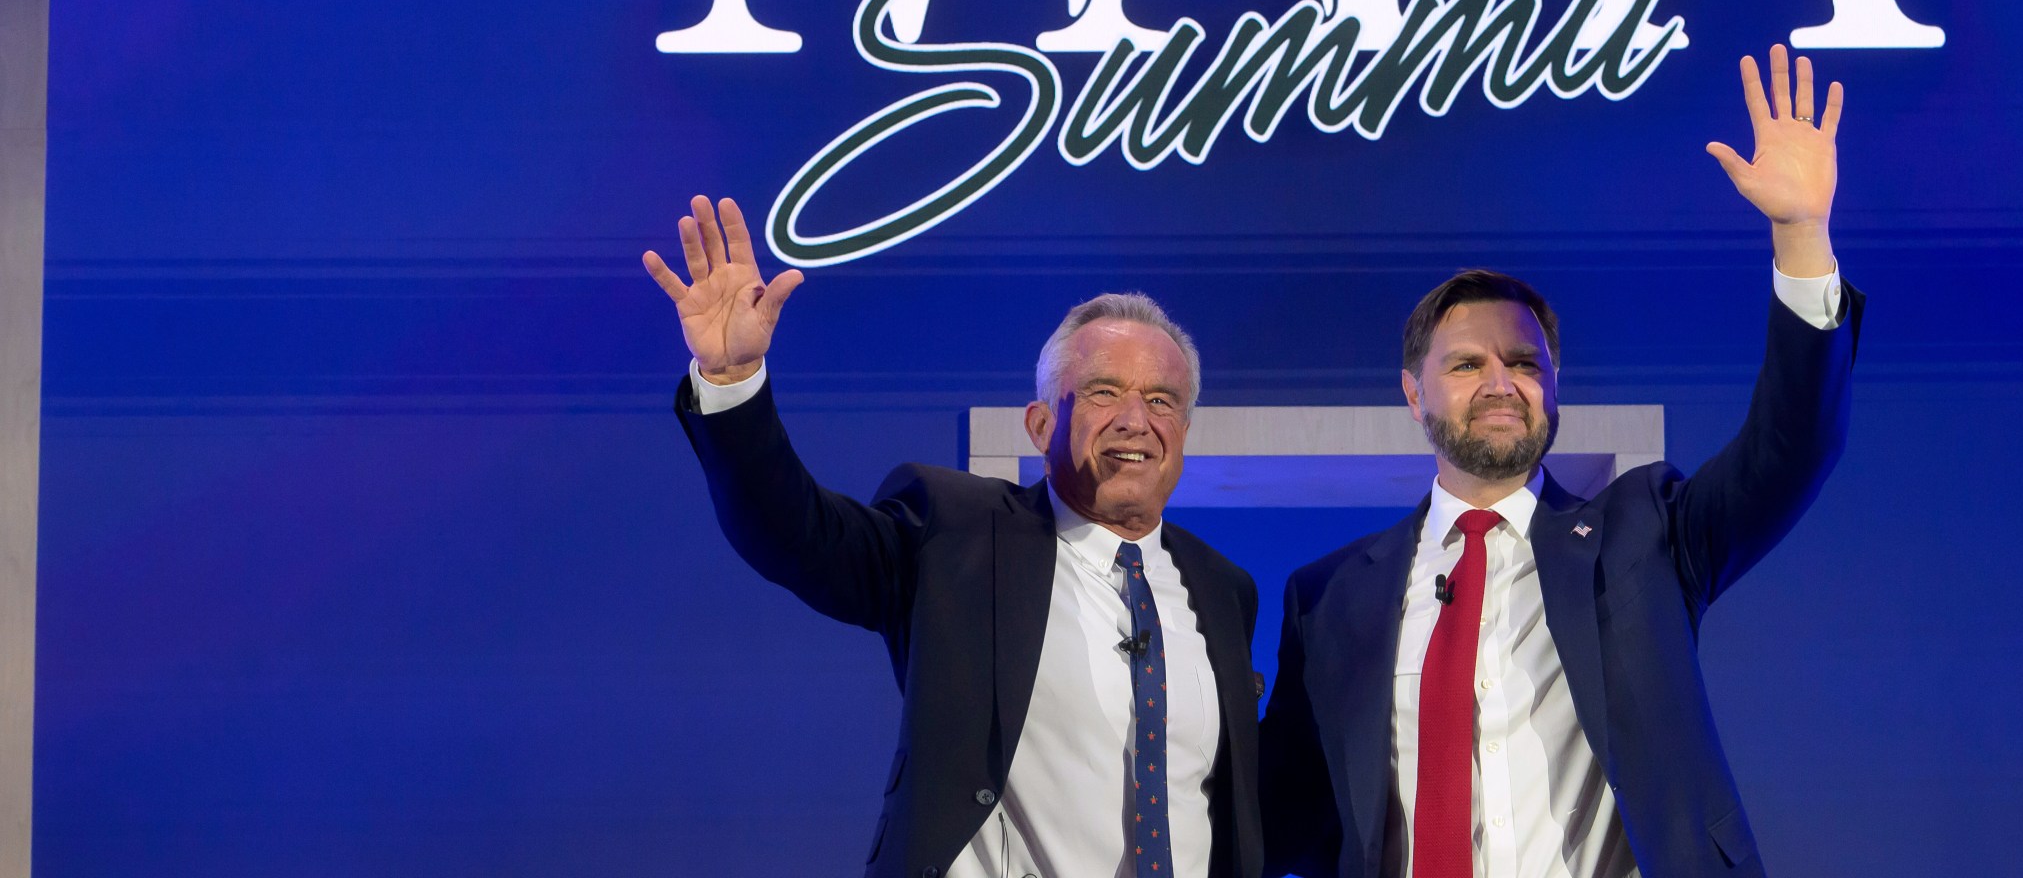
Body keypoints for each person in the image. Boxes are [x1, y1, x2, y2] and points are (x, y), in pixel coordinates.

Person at [1258, 45, 1862, 878]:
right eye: (1468, 364)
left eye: (1526, 364)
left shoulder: (1644, 533)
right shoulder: (1328, 599)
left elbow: (1792, 448)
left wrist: (1802, 235)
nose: (1502, 383)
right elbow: (1282, 826)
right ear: (1412, 392)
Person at [645, 198, 1261, 878]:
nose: (1135, 420)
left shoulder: (1222, 590)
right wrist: (733, 384)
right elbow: (795, 535)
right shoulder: (956, 537)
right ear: (1039, 426)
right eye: (1103, 392)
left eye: (1161, 400)